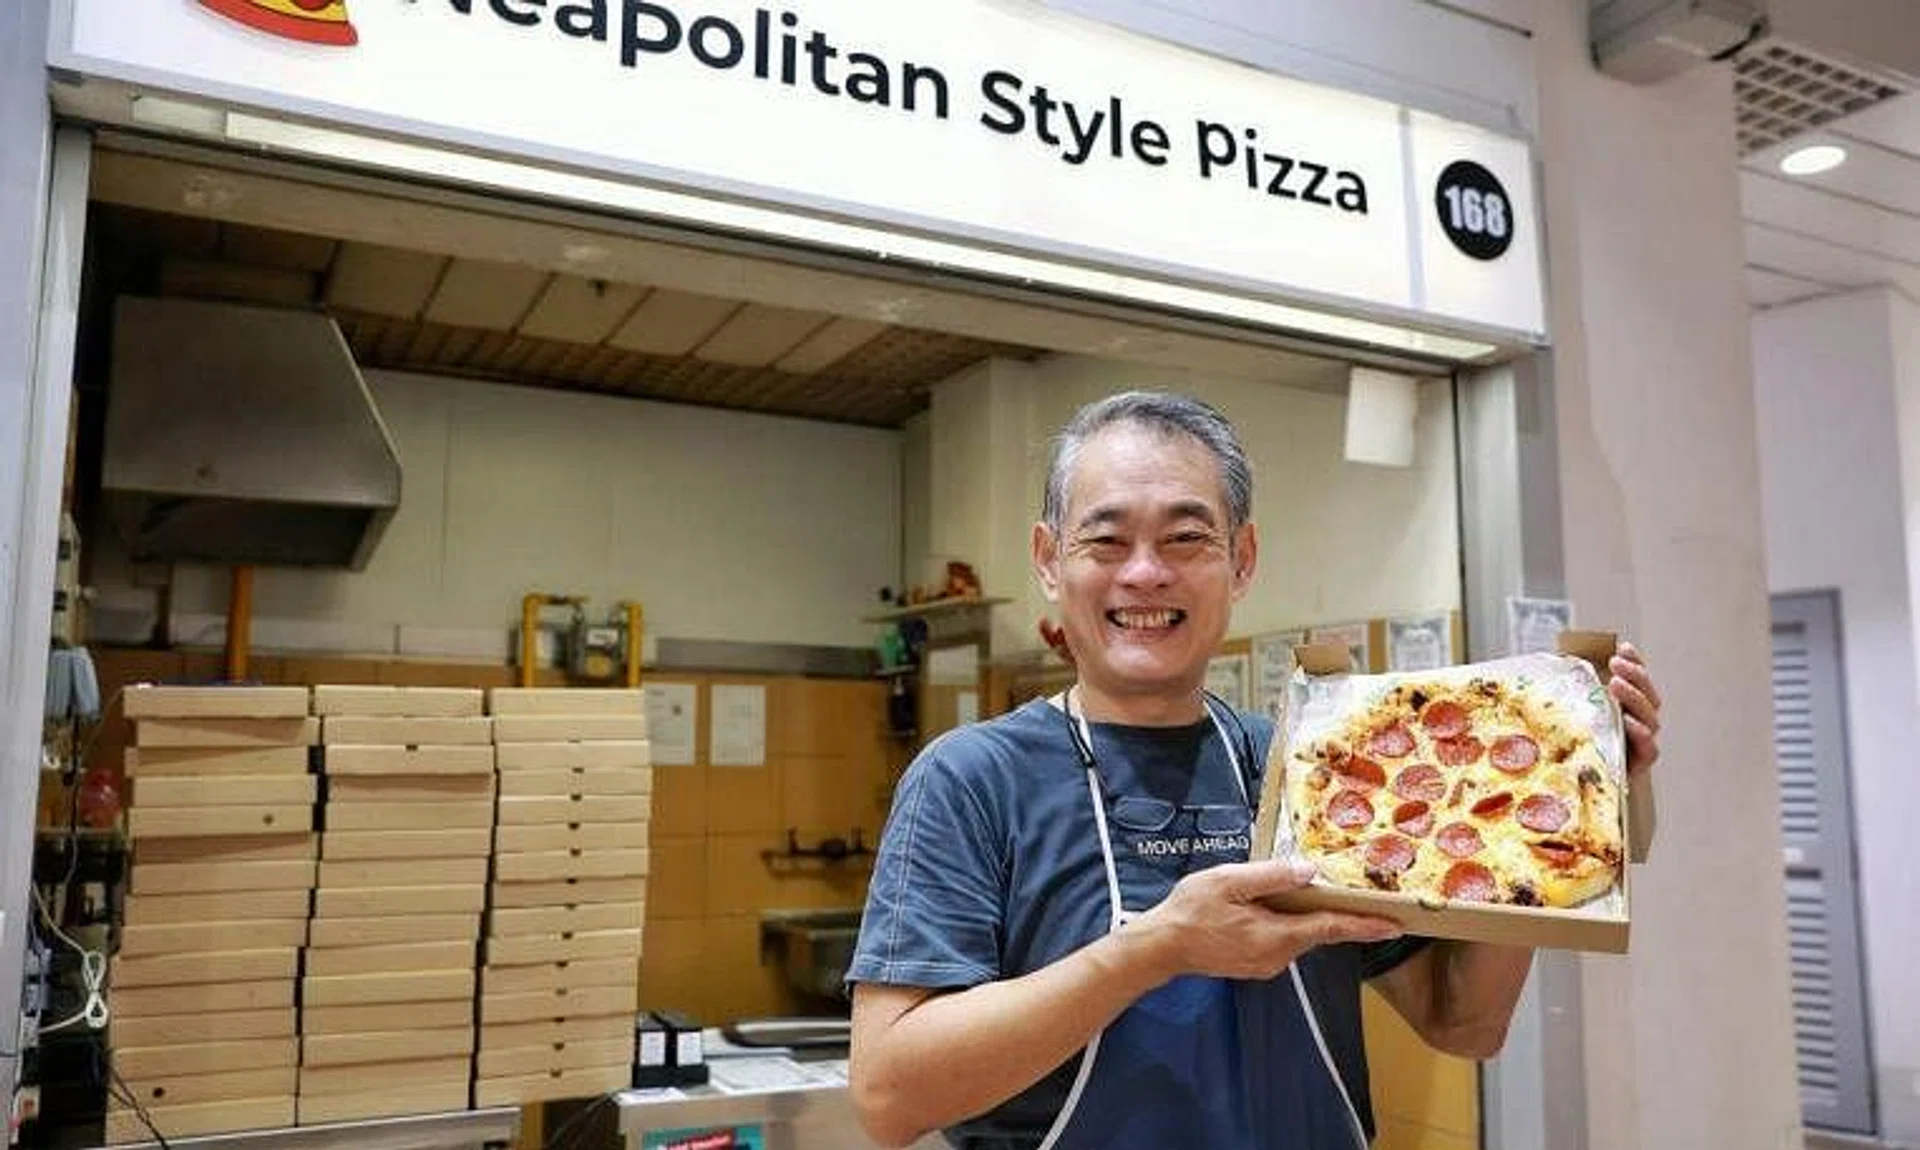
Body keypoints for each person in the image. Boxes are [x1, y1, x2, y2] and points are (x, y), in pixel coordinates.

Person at [846, 391, 1664, 1150]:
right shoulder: (971, 780)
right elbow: (889, 1097)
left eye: (1185, 537)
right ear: (1049, 561)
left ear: (1241, 560)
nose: (1144, 573)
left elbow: (1464, 1025)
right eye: (1105, 539)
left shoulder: (1319, 771)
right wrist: (1153, 950)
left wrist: (1529, 816)